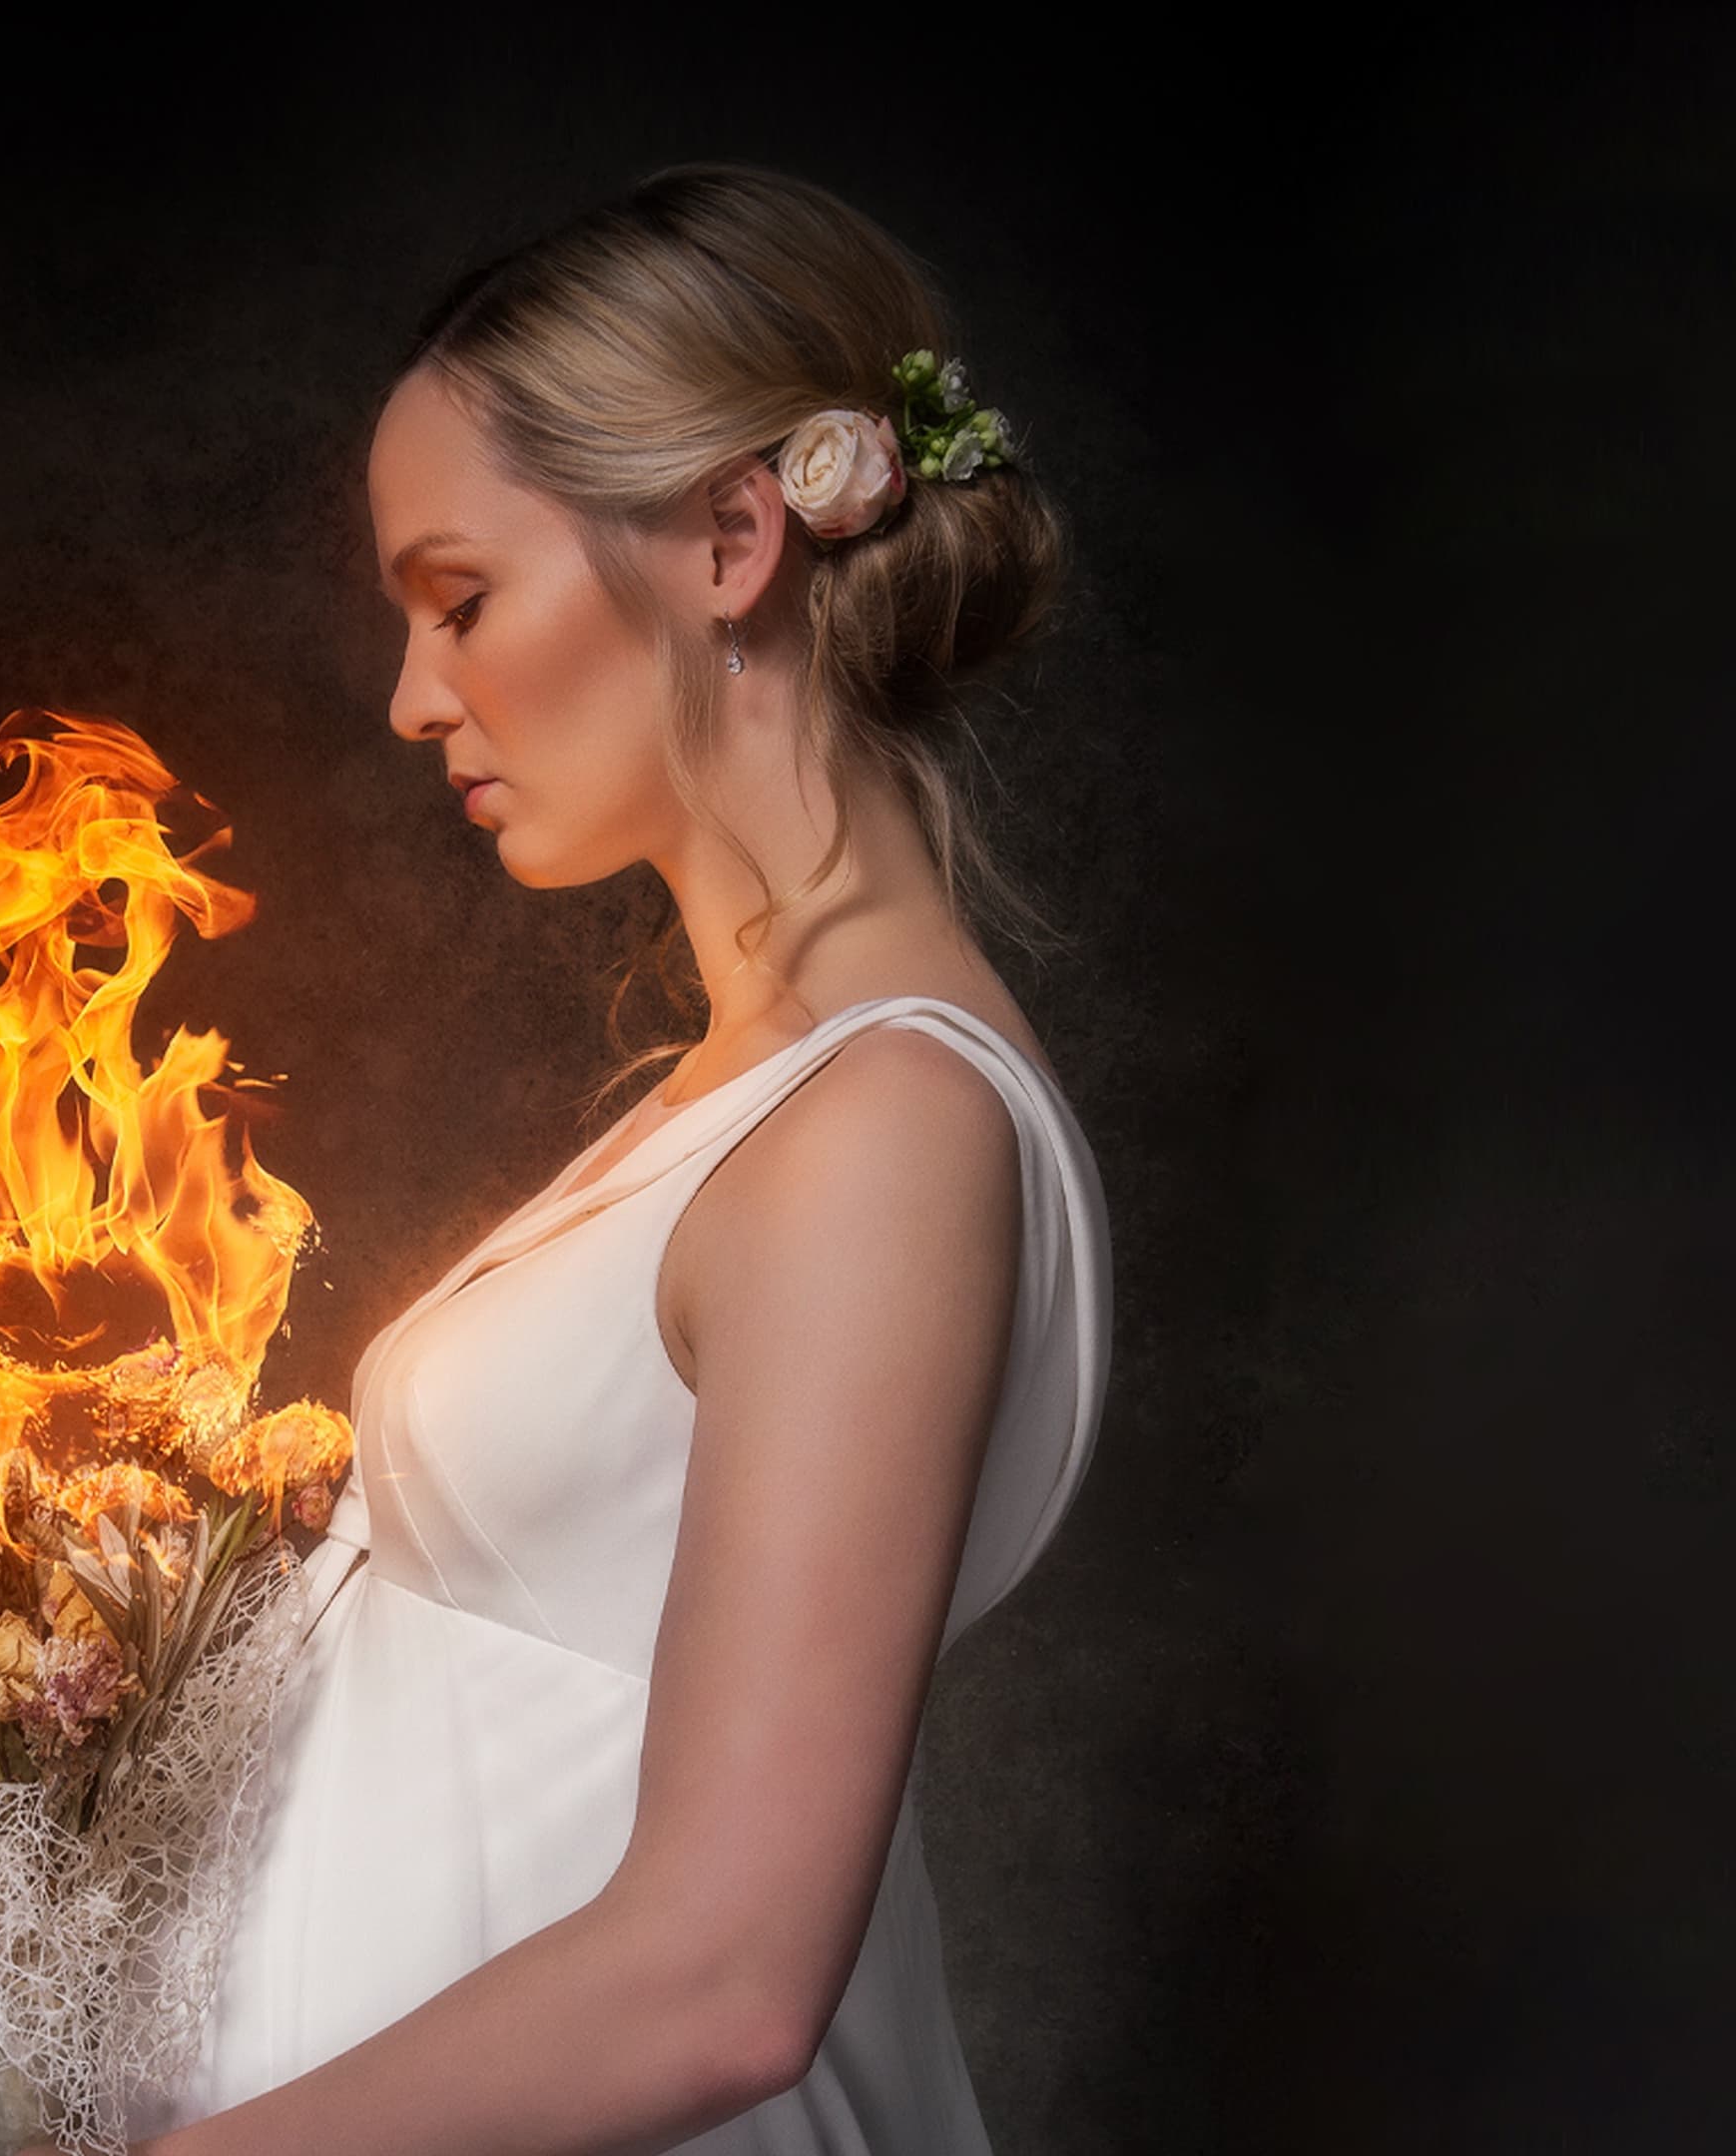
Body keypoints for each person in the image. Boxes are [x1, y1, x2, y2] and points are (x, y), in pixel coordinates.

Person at [77, 164, 1119, 2154]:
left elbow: (726, 1977)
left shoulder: (885, 1135)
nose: (415, 698)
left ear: (731, 539)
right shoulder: (746, 1097)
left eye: (460, 601)